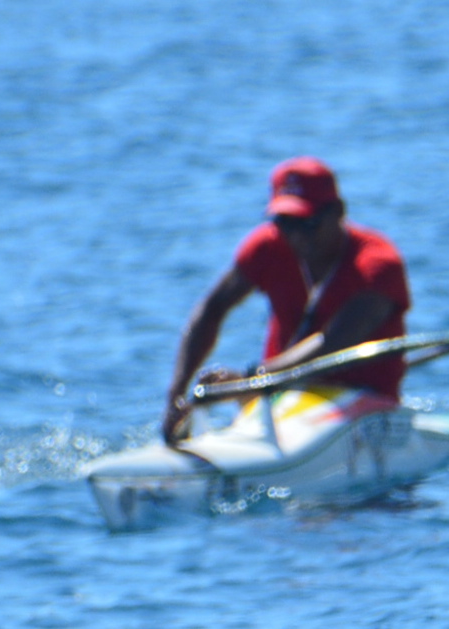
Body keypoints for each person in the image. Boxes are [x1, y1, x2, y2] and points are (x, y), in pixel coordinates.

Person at [160, 157, 411, 446]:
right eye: (284, 223)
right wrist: (175, 398)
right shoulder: (268, 247)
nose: (295, 236)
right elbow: (211, 309)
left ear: (338, 212)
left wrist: (248, 382)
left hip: (363, 403)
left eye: (307, 223)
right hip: (278, 400)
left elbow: (331, 344)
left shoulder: (378, 264)